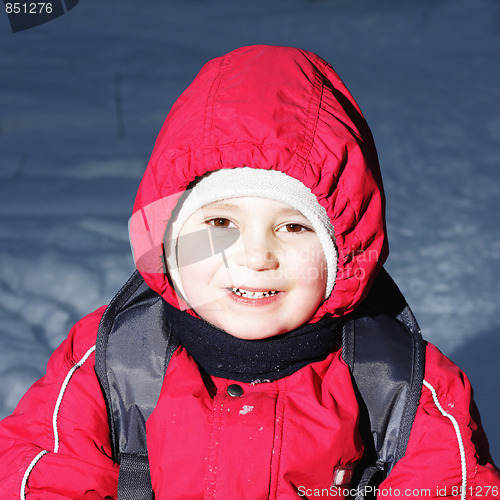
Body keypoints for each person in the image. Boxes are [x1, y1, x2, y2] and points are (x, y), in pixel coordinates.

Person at [0, 45, 498, 500]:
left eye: (294, 227)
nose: (257, 256)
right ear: (169, 240)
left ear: (343, 253)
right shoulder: (113, 360)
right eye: (220, 223)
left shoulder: (402, 383)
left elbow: (449, 484)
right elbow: (43, 471)